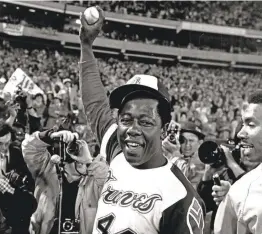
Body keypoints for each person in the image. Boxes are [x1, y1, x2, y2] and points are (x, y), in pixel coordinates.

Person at [79, 6, 205, 234]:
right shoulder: (117, 152)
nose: (132, 130)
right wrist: (86, 47)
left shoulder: (179, 196)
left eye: (146, 122)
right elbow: (95, 103)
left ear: (164, 129)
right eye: (126, 119)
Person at [21, 129, 109, 234]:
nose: (78, 157)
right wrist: (51, 135)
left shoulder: (94, 178)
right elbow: (29, 147)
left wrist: (89, 162)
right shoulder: (47, 170)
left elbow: (110, 182)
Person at [214, 90, 262, 234]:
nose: (240, 134)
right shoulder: (239, 193)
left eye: (251, 124)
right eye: (242, 124)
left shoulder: (242, 192)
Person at [162, 121, 205, 185]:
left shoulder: (202, 161)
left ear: (200, 143)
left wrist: (175, 155)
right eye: (183, 141)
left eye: (191, 141)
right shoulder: (175, 154)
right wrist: (163, 149)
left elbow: (182, 180)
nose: (187, 145)